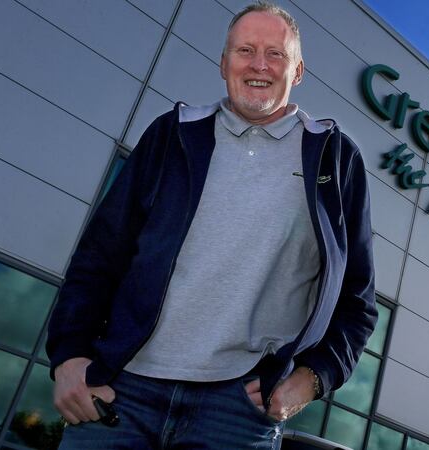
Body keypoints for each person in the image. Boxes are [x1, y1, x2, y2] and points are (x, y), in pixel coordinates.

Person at [46, 2, 376, 448]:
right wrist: (69, 356)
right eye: (245, 50)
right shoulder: (172, 134)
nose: (259, 64)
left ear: (297, 71)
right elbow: (98, 257)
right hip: (122, 390)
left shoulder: (336, 159)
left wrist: (312, 379)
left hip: (238, 412)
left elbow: (357, 302)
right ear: (224, 64)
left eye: (276, 54)